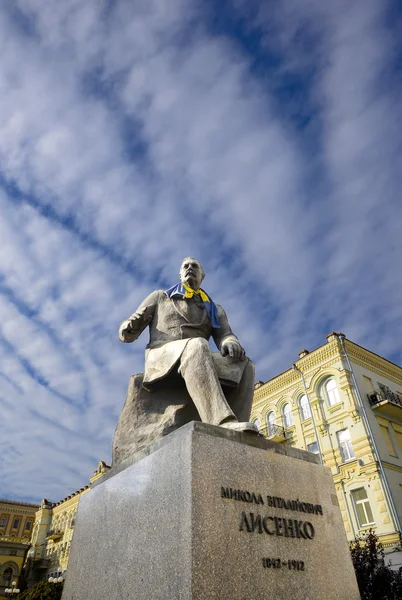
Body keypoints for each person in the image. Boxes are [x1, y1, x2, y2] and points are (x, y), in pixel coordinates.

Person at [118, 258, 258, 433]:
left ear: (202, 275)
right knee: (197, 344)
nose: (190, 268)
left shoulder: (214, 309)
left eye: (195, 266)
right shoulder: (161, 297)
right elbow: (128, 332)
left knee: (245, 364)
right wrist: (128, 327)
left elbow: (225, 334)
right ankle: (221, 421)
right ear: (180, 273)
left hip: (199, 357)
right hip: (162, 354)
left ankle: (237, 430)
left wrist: (230, 342)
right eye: (186, 266)